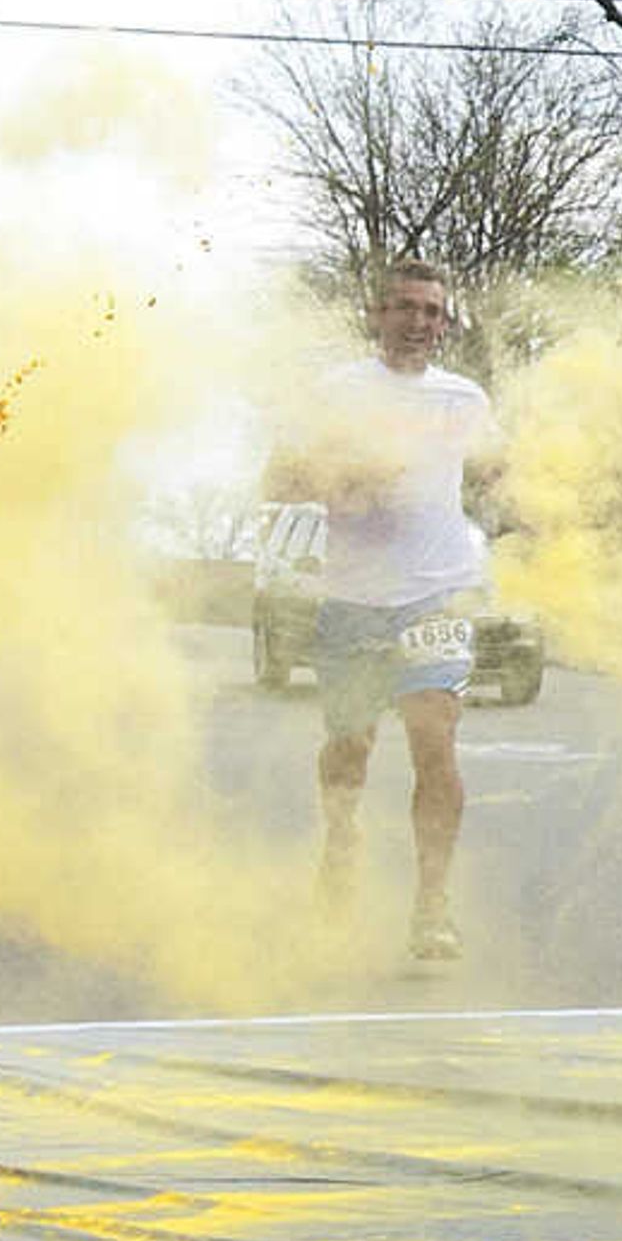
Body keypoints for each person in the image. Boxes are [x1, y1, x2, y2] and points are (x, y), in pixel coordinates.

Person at [274, 259, 499, 962]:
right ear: (376, 314)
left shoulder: (463, 400)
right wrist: (348, 478)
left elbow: (502, 474)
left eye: (432, 312)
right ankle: (341, 842)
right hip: (352, 600)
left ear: (444, 323)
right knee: (351, 747)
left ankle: (431, 906)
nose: (419, 323)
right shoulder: (336, 392)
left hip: (435, 594)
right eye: (405, 307)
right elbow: (278, 479)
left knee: (435, 739)